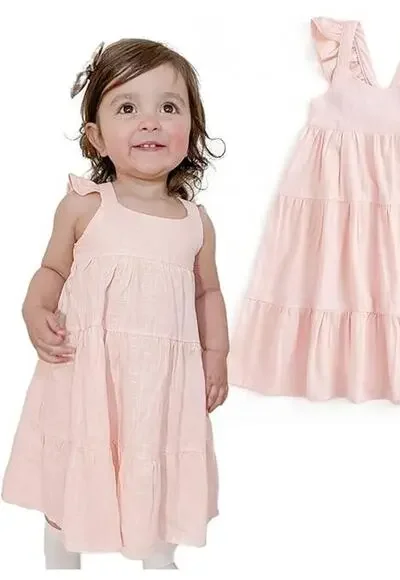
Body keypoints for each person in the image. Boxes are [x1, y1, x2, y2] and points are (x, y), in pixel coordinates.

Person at [1, 38, 229, 570]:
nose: (150, 122)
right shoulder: (85, 206)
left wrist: (216, 354)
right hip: (89, 374)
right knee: (77, 462)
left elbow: (207, 292)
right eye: (127, 108)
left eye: (168, 107)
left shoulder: (195, 221)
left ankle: (159, 557)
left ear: (191, 129)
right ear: (97, 137)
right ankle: (61, 558)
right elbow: (52, 270)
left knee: (158, 458)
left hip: (162, 383)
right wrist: (35, 311)